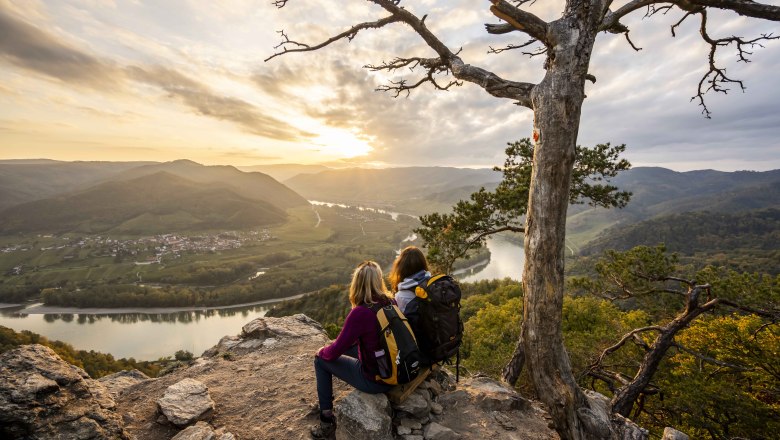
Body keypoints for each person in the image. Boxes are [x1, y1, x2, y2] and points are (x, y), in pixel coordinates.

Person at [311, 260, 394, 439]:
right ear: (379, 280)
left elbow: (333, 352)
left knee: (320, 361)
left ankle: (326, 420)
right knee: (350, 346)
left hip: (376, 380)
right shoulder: (391, 302)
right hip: (394, 368)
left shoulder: (360, 313)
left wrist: (322, 351)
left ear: (357, 283)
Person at [388, 246, 431, 355]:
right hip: (439, 341)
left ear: (401, 268)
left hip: (421, 349)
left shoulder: (401, 296)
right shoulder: (431, 284)